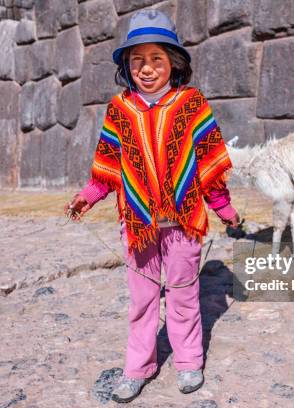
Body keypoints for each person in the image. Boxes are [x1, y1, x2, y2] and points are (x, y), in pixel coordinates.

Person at [64, 9, 240, 404]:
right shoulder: (119, 110)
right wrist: (86, 198)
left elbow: (209, 166)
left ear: (173, 63)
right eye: (137, 60)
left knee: (181, 292)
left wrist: (225, 210)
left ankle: (189, 359)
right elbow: (107, 167)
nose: (146, 69)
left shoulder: (191, 104)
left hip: (183, 222)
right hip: (138, 222)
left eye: (156, 59)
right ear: (126, 65)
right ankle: (137, 367)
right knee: (142, 299)